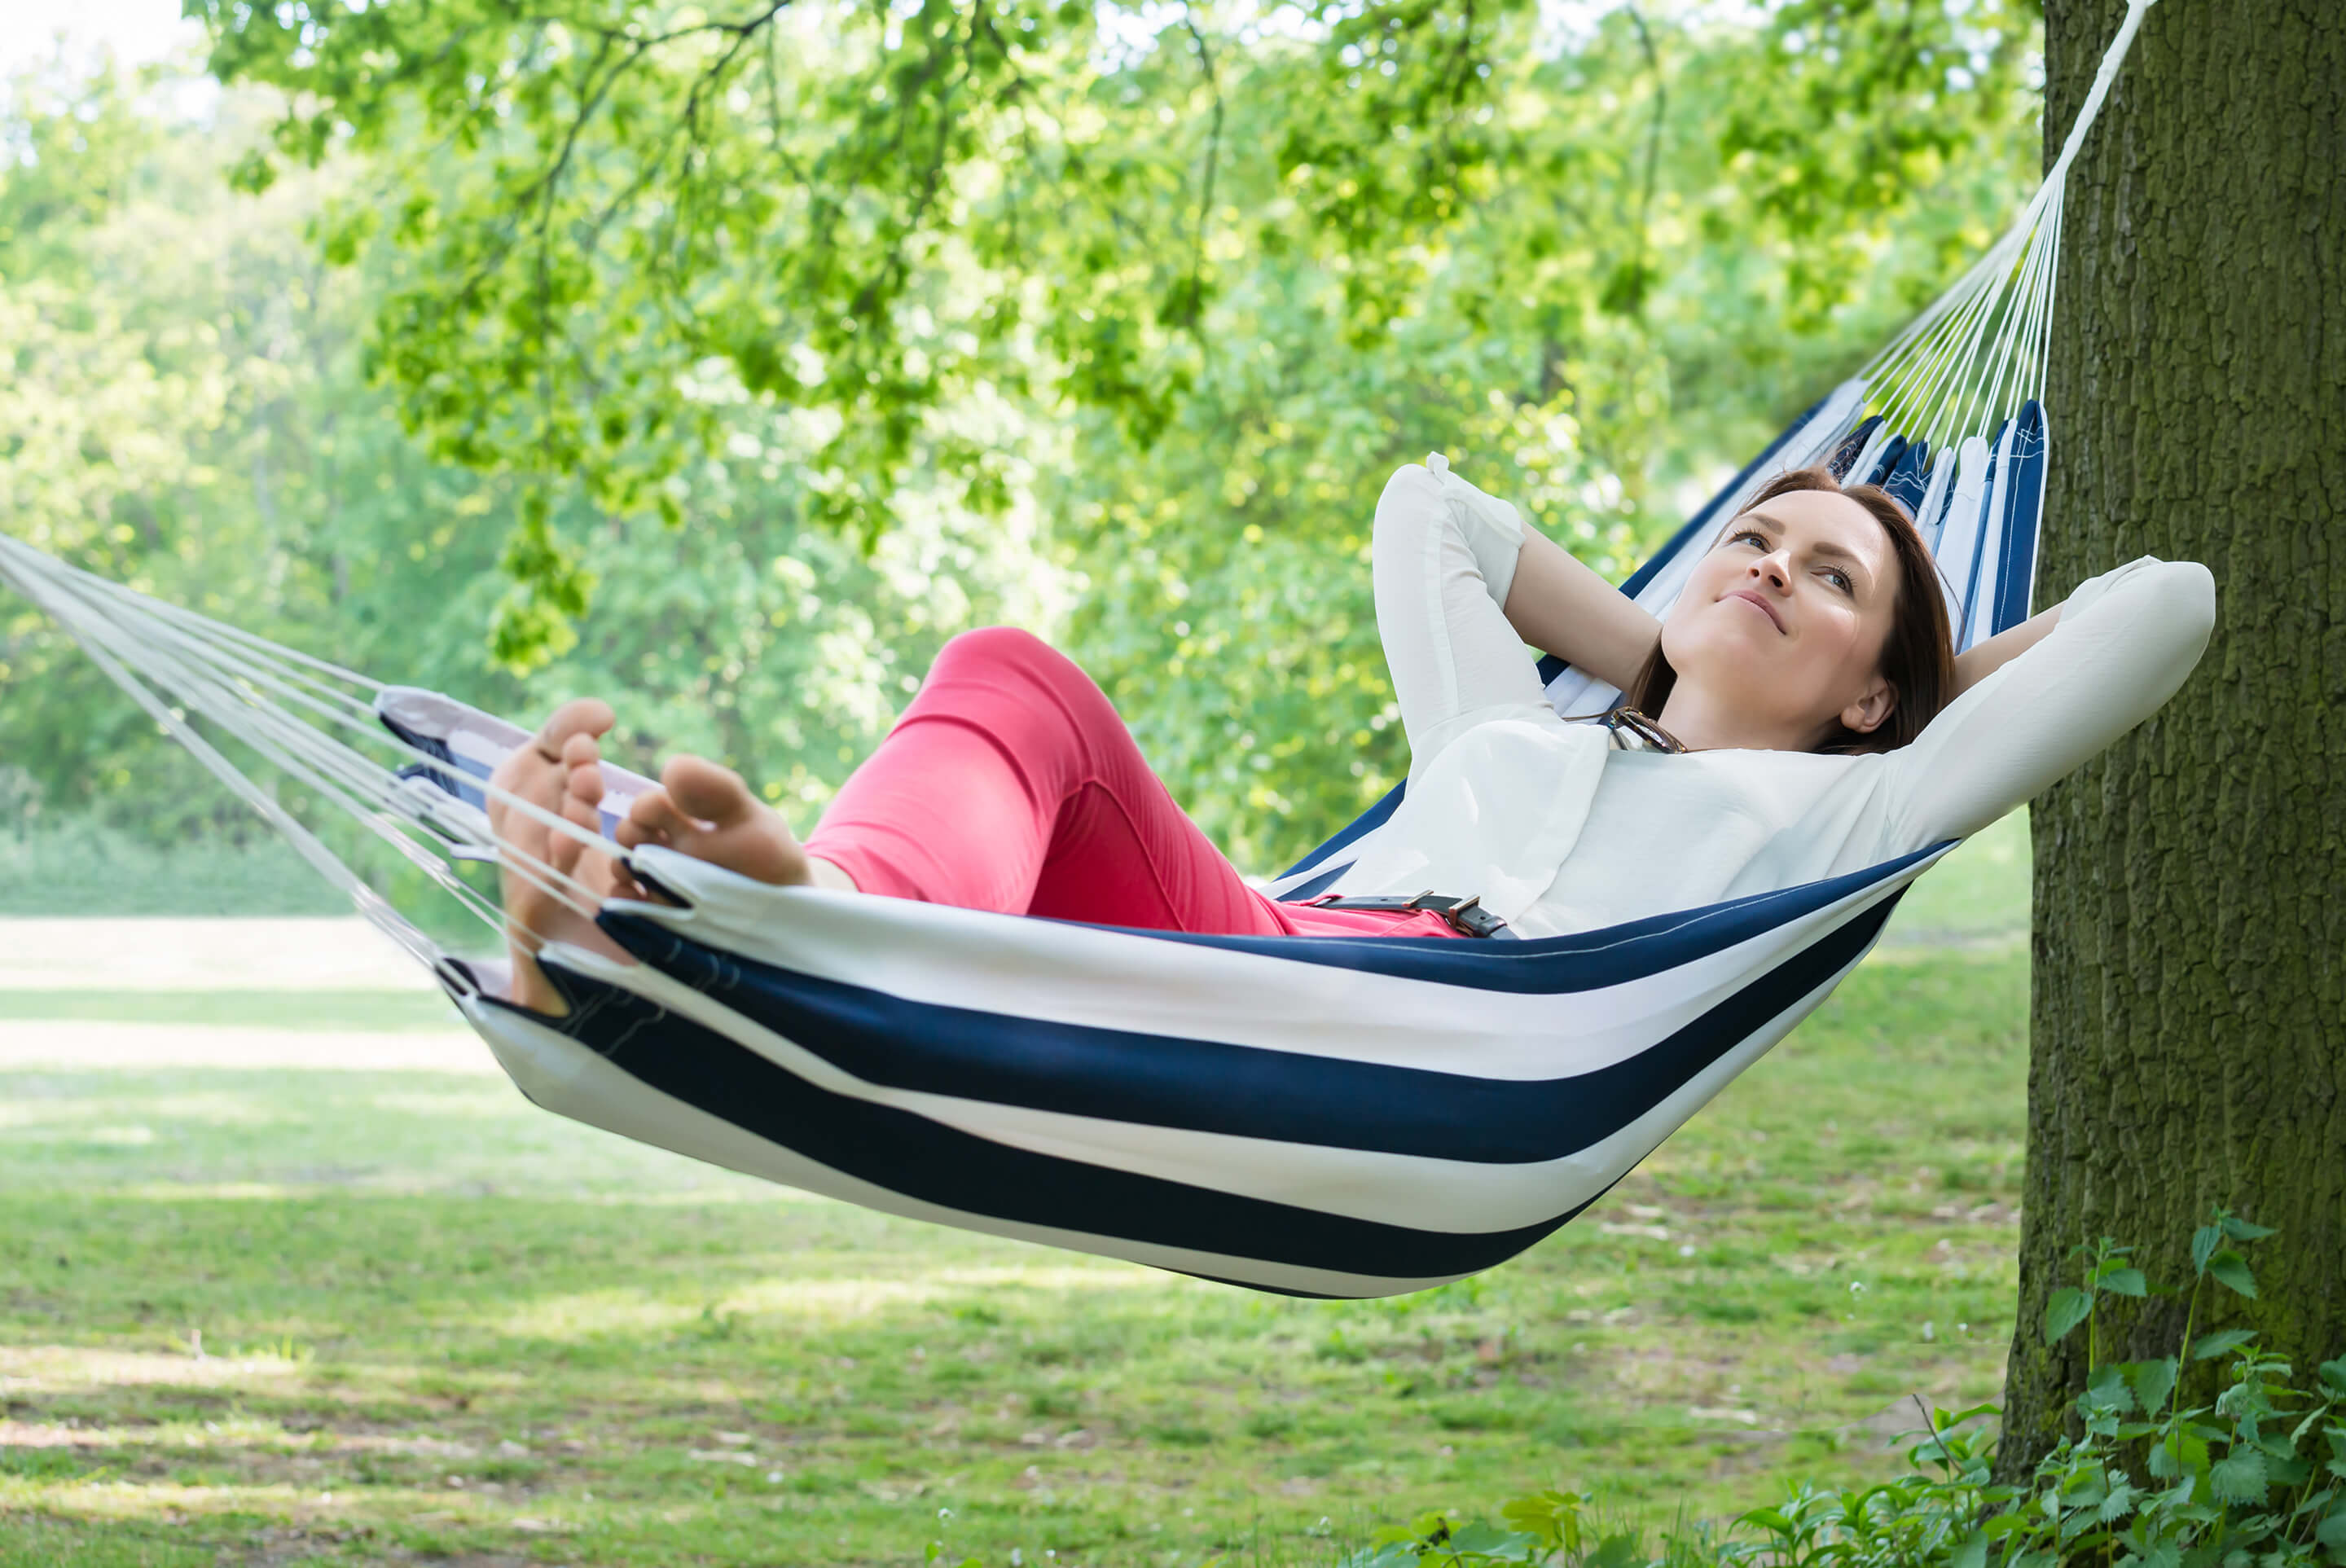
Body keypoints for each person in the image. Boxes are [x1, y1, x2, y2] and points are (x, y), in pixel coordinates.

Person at [488, 456, 2216, 1017]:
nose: (1766, 559)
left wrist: (1893, 705)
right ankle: (758, 899)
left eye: (1826, 576)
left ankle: (710, 912)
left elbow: (2168, 604)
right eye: (1750, 536)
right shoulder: (1510, 732)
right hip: (1273, 948)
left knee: (1029, 687)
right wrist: (1683, 650)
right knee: (1016, 674)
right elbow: (1431, 512)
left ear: (1876, 695)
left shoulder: (1851, 812)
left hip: (1437, 1031)